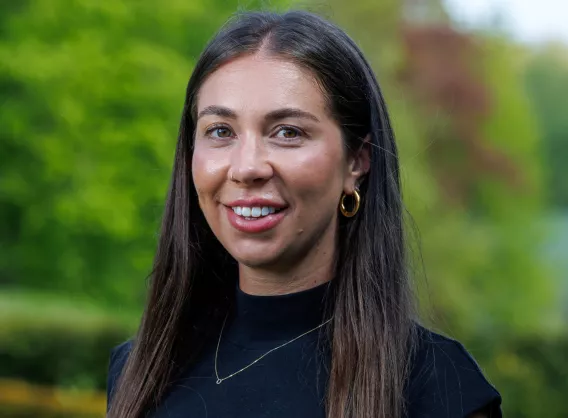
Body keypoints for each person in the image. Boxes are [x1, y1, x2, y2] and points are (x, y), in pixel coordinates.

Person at [106, 10, 502, 418]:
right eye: (221, 131)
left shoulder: (437, 388)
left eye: (287, 132)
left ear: (356, 162)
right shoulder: (140, 370)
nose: (246, 168)